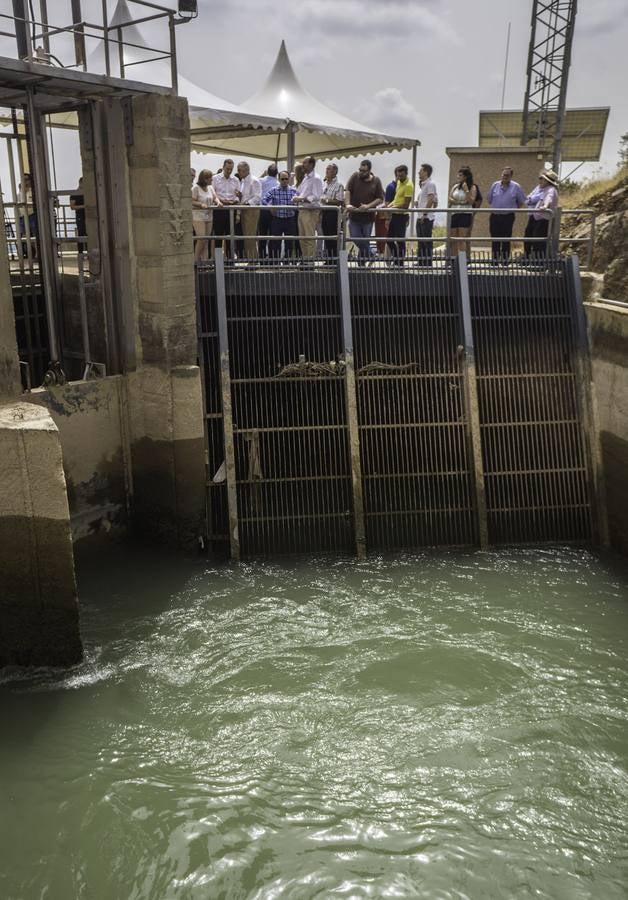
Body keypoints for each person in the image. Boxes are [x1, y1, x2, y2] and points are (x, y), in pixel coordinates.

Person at [344, 160, 384, 264]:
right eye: (360, 170)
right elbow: (347, 190)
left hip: (368, 218)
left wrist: (368, 206)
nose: (361, 172)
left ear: (369, 171)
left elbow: (380, 198)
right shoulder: (355, 176)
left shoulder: (376, 181)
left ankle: (361, 263)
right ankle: (372, 254)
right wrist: (348, 204)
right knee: (356, 238)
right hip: (354, 216)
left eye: (364, 171)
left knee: (364, 241)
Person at [487, 167, 527, 262]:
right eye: (503, 174)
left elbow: (521, 202)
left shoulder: (516, 186)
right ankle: (495, 260)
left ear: (511, 176)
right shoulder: (495, 185)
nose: (504, 177)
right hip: (495, 216)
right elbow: (489, 199)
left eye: (507, 175)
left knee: (506, 239)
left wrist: (513, 209)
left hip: (508, 217)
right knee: (495, 239)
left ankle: (505, 260)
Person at [524, 169, 560, 259]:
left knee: (539, 241)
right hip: (535, 216)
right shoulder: (540, 188)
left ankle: (538, 262)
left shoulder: (551, 189)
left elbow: (549, 198)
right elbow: (528, 198)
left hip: (543, 219)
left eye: (542, 179)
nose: (540, 180)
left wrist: (545, 206)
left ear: (547, 181)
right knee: (528, 236)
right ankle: (528, 258)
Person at [292, 156, 323, 259]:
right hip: (303, 209)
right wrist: (298, 198)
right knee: (302, 237)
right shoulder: (306, 177)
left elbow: (316, 196)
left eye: (305, 163)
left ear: (311, 165)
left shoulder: (316, 178)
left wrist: (300, 199)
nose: (302, 165)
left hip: (310, 211)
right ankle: (305, 259)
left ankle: (309, 261)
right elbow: (302, 193)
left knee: (309, 237)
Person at [265, 171, 298, 259]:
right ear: (279, 179)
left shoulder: (294, 191)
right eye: (282, 179)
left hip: (289, 219)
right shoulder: (274, 190)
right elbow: (264, 200)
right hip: (277, 219)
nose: (284, 181)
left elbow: (299, 203)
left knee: (289, 243)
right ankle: (275, 263)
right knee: (276, 242)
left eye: (286, 179)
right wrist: (270, 207)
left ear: (289, 179)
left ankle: (287, 263)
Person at [212, 159, 240, 257]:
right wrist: (223, 201)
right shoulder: (215, 178)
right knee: (218, 236)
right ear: (223, 167)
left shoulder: (236, 180)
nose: (229, 171)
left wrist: (235, 200)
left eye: (231, 169)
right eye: (227, 169)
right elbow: (213, 194)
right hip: (219, 209)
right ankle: (218, 261)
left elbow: (238, 194)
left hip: (231, 209)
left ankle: (230, 260)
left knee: (230, 235)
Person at [387, 164, 413, 265]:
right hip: (395, 214)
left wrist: (392, 207)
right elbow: (396, 199)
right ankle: (397, 258)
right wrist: (389, 205)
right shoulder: (399, 182)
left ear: (406, 174)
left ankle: (400, 261)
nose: (399, 178)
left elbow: (406, 205)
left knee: (400, 239)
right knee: (389, 239)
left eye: (401, 176)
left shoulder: (408, 185)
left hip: (402, 216)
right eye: (398, 176)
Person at [192, 169, 219, 263]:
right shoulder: (195, 188)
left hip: (209, 215)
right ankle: (196, 261)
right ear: (204, 179)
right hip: (198, 216)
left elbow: (215, 197)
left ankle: (205, 261)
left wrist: (218, 202)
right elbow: (191, 200)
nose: (212, 180)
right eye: (210, 178)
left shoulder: (210, 187)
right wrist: (200, 204)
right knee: (201, 238)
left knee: (207, 240)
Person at [236, 161, 261, 260]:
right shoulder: (243, 181)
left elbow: (257, 197)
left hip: (251, 211)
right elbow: (246, 196)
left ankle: (253, 260)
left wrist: (245, 204)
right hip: (244, 210)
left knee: (250, 236)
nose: (238, 172)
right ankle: (250, 259)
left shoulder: (254, 180)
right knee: (246, 236)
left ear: (246, 170)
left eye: (239, 170)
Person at [448, 166, 476, 256]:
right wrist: (460, 202)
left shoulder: (472, 187)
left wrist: (466, 190)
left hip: (465, 214)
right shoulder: (455, 186)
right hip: (455, 213)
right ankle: (454, 261)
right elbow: (450, 198)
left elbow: (471, 201)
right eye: (458, 175)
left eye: (460, 175)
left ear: (465, 177)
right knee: (453, 239)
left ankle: (462, 262)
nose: (458, 177)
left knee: (461, 239)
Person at [320, 163, 344, 261]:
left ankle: (334, 259)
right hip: (324, 212)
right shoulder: (325, 184)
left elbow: (339, 201)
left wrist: (326, 200)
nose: (326, 171)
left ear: (335, 172)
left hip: (332, 214)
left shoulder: (339, 185)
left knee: (333, 236)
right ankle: (328, 259)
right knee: (326, 236)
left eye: (329, 169)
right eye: (326, 169)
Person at [415, 163, 437, 266]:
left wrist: (424, 214)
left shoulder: (430, 184)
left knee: (426, 240)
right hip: (420, 216)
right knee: (420, 240)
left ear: (426, 172)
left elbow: (431, 200)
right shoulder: (423, 185)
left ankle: (427, 262)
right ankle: (421, 261)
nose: (419, 172)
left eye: (421, 171)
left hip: (426, 217)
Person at [259, 163, 279, 258]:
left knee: (262, 235)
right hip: (273, 211)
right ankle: (272, 257)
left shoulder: (261, 180)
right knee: (273, 235)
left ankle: (262, 257)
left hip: (262, 210)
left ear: (267, 171)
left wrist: (263, 175)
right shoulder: (278, 183)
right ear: (276, 173)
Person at [18, 173, 37, 259]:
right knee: (25, 236)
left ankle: (37, 253)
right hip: (22, 217)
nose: (25, 181)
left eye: (27, 179)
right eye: (24, 179)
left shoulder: (33, 191)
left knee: (35, 234)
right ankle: (29, 253)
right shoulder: (19, 192)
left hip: (32, 216)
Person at [70, 177, 86, 251]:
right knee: (81, 233)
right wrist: (84, 206)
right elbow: (72, 207)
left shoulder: (87, 193)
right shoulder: (75, 193)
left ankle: (88, 252)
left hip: (88, 216)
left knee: (88, 234)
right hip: (80, 216)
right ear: (80, 183)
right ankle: (80, 253)